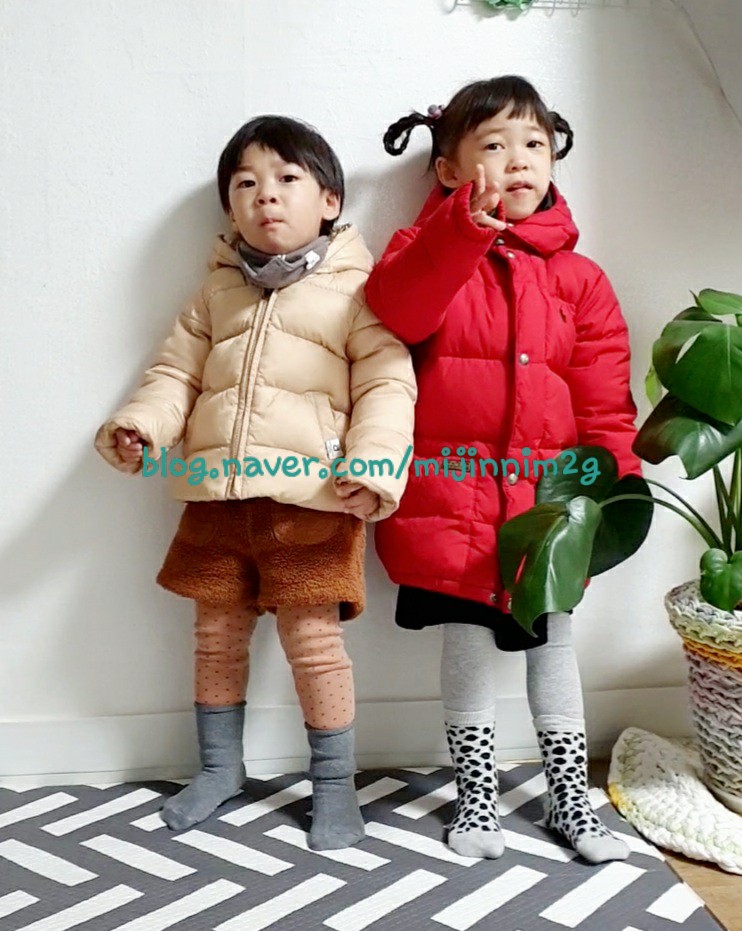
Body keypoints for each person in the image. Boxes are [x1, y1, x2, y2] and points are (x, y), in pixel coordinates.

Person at [94, 115, 416, 850]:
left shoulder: (360, 291)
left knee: (314, 642)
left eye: (286, 178)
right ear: (230, 209)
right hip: (215, 499)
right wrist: (143, 425)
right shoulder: (216, 292)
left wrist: (373, 466)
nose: (266, 195)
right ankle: (219, 767)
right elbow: (175, 374)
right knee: (215, 637)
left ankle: (333, 783)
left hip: (314, 502)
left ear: (330, 201)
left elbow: (388, 384)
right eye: (246, 184)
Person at [365, 76, 640, 863]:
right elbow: (399, 309)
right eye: (494, 144)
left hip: (545, 508)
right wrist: (460, 233)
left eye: (534, 144)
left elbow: (604, 400)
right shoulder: (424, 251)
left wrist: (613, 491)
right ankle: (477, 797)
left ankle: (570, 799)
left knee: (554, 648)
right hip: (452, 502)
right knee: (466, 649)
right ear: (450, 169)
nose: (519, 159)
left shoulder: (581, 280)